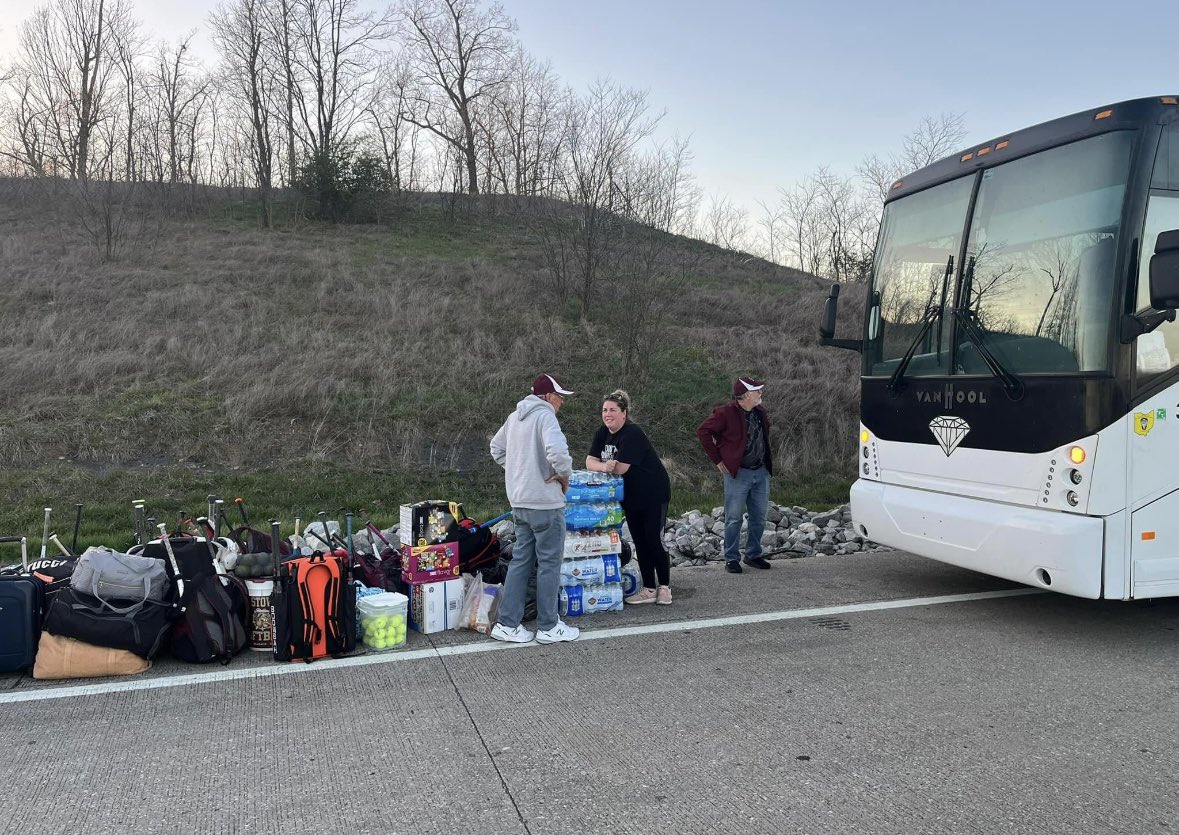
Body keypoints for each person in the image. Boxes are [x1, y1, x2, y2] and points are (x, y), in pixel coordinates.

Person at [488, 373, 580, 644]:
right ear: (548, 397)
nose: (562, 402)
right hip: (545, 504)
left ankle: (507, 624)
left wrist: (519, 472)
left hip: (520, 503)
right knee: (549, 563)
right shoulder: (545, 416)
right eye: (560, 397)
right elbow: (559, 455)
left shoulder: (514, 417)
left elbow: (497, 449)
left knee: (521, 562)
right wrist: (563, 475)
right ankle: (550, 626)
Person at [585, 390, 673, 605]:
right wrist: (605, 466)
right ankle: (649, 588)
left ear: (624, 413)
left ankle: (664, 587)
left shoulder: (632, 433)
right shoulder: (602, 433)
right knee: (640, 541)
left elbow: (621, 468)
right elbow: (589, 461)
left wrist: (606, 467)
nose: (608, 414)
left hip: (653, 493)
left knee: (654, 539)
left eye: (613, 410)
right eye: (605, 410)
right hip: (630, 497)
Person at [696, 376, 773, 574]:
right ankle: (731, 558)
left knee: (760, 517)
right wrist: (718, 460)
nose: (760, 393)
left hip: (761, 472)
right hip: (738, 474)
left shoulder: (760, 412)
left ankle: (753, 554)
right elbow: (703, 431)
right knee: (733, 518)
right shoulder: (725, 413)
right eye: (757, 391)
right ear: (747, 395)